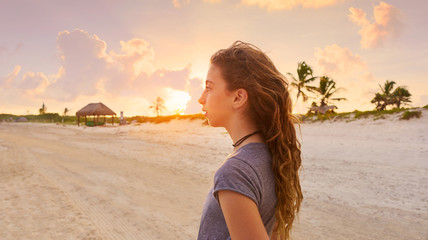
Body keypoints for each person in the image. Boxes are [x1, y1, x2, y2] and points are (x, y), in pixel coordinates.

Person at [197, 41, 303, 240]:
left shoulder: (235, 171)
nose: (201, 98)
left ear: (238, 98)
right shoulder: (271, 155)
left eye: (209, 88)